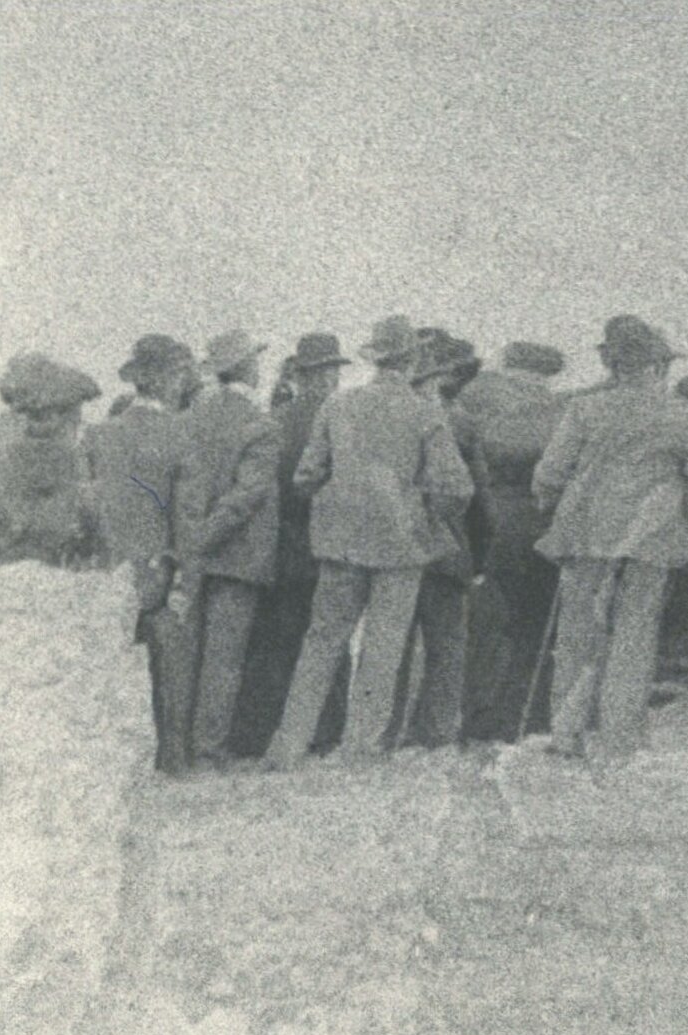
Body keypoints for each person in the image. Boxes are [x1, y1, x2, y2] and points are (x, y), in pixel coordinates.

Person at [264, 313, 476, 768]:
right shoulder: (425, 413)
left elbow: (306, 475)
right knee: (384, 644)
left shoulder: (337, 405)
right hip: (402, 545)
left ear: (375, 358)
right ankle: (361, 748)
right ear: (413, 359)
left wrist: (339, 502)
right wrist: (424, 516)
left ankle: (288, 745)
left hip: (339, 543)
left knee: (321, 641)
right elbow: (457, 487)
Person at [532, 314, 688, 763]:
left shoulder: (583, 410)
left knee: (578, 633)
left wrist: (550, 503)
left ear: (613, 366)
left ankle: (566, 734)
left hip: (585, 537)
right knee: (634, 636)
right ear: (657, 366)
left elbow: (549, 474)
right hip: (651, 540)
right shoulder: (685, 416)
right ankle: (619, 739)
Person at [230, 331, 350, 762]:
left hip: (282, 542)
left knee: (275, 641)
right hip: (329, 543)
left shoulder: (274, 418)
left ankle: (260, 733)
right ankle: (325, 732)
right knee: (327, 639)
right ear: (331, 374)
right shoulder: (343, 420)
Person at [88, 334, 198, 774]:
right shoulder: (180, 435)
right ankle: (172, 759)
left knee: (110, 671)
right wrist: (186, 579)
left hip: (111, 570)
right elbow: (187, 519)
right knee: (172, 667)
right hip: (161, 570)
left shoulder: (101, 435)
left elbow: (92, 506)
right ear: (169, 380)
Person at [172, 331, 280, 769]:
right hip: (238, 555)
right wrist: (209, 534)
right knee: (224, 659)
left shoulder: (191, 418)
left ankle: (177, 747)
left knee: (187, 652)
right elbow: (247, 496)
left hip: (193, 551)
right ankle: (209, 748)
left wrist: (192, 538)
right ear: (247, 367)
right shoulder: (261, 423)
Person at [451, 341, 566, 740]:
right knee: (530, 629)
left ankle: (479, 714)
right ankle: (527, 716)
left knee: (486, 628)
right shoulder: (555, 413)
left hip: (490, 529)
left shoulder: (474, 401)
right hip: (540, 529)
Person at [391, 330, 481, 749]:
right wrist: (477, 552)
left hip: (396, 547)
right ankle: (438, 732)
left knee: (395, 643)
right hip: (447, 548)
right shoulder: (457, 421)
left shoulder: (385, 416)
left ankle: (389, 729)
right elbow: (477, 493)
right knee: (446, 643)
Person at [0, 353, 103, 568]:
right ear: (52, 415)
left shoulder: (12, 447)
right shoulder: (51, 455)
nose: (77, 420)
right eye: (74, 411)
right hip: (36, 560)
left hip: (12, 560)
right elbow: (56, 519)